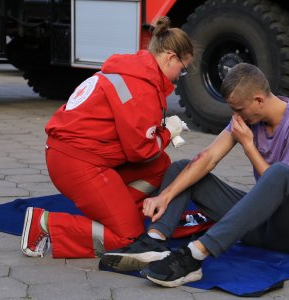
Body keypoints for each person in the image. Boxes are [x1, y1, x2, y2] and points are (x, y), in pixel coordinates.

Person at [99, 62, 289, 287]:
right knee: (184, 167)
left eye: (239, 110)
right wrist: (165, 195)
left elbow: (286, 191)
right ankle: (155, 241)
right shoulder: (249, 116)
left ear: (259, 100)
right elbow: (209, 157)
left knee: (280, 173)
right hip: (264, 226)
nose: (236, 116)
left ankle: (194, 256)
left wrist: (249, 146)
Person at [20, 16, 194, 258]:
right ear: (170, 57)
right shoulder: (142, 87)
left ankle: (119, 214)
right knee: (129, 240)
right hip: (78, 163)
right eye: (182, 70)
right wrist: (167, 132)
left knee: (161, 165)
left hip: (72, 156)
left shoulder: (132, 70)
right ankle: (46, 224)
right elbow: (141, 150)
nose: (178, 77)